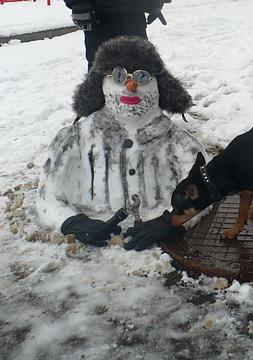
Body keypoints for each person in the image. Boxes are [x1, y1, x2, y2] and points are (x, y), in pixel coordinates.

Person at [36, 36, 208, 248]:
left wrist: (173, 221)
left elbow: (206, 189)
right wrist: (72, 222)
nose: (131, 85)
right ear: (100, 83)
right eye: (119, 76)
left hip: (163, 252)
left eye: (142, 77)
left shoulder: (179, 142)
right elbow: (48, 195)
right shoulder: (74, 139)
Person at [64, 0, 171, 70]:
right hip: (97, 16)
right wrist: (77, 3)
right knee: (100, 70)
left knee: (141, 65)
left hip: (133, 13)